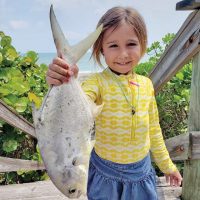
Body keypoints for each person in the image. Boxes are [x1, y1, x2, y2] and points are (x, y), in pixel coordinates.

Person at [46, 6, 182, 200]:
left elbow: (154, 131)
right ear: (101, 49)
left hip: (140, 173)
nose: (123, 54)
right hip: (104, 173)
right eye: (113, 46)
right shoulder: (96, 83)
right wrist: (65, 80)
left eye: (131, 44)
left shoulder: (146, 85)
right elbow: (78, 106)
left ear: (143, 45)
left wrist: (168, 166)